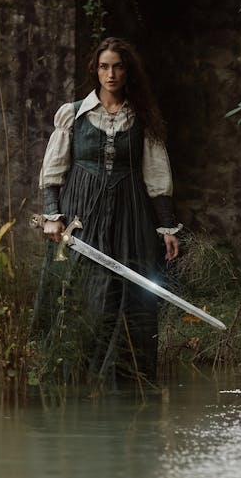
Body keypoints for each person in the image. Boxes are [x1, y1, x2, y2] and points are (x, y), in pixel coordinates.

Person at [35, 37, 182, 387]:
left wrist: (167, 228)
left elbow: (156, 175)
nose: (111, 73)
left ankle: (126, 380)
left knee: (130, 293)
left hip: (130, 214)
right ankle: (74, 376)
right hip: (81, 213)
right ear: (95, 70)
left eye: (117, 66)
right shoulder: (73, 114)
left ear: (127, 70)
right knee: (83, 289)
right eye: (104, 66)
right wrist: (52, 215)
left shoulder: (142, 118)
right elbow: (52, 171)